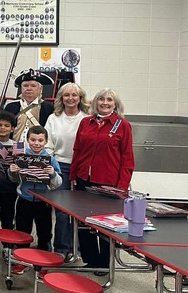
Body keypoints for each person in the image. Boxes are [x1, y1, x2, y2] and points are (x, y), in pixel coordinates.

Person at [70, 89, 134, 271]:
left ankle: (104, 263)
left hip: (108, 182)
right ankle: (90, 260)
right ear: (95, 102)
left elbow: (127, 158)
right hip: (83, 179)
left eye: (109, 100)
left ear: (115, 104)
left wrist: (122, 186)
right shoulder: (85, 122)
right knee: (84, 221)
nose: (105, 103)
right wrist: (73, 175)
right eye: (101, 99)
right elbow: (77, 150)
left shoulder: (123, 125)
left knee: (105, 224)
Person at [45, 83, 89, 262]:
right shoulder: (53, 118)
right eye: (66, 95)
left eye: (74, 95)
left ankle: (78, 249)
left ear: (80, 98)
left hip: (82, 167)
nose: (70, 98)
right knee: (62, 211)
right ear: (61, 98)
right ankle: (62, 249)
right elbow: (47, 144)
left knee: (80, 212)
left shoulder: (87, 118)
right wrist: (51, 166)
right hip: (60, 166)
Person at [9, 125, 62, 272]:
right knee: (22, 232)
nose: (36, 143)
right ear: (27, 140)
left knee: (44, 233)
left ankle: (43, 263)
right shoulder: (20, 157)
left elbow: (58, 183)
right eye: (33, 140)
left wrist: (53, 174)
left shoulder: (51, 160)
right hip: (24, 200)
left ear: (46, 142)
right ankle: (21, 260)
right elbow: (14, 179)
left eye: (40, 140)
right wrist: (12, 171)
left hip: (43, 202)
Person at [3, 69, 54, 142]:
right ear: (21, 88)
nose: (29, 88)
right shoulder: (10, 107)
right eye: (25, 86)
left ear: (40, 89)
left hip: (38, 146)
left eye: (33, 86)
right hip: (15, 145)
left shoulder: (49, 108)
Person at [0, 111, 19, 233]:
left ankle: (7, 242)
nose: (3, 128)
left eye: (6, 126)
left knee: (8, 217)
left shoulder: (17, 146)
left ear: (12, 129)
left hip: (9, 188)